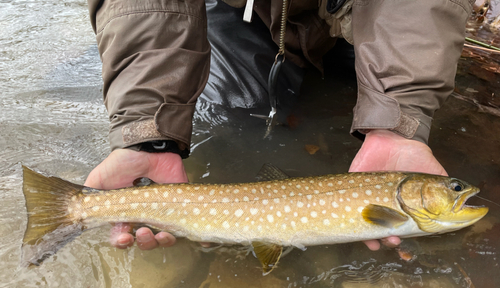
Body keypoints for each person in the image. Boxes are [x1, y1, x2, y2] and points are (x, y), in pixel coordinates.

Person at [84, 0, 470, 251]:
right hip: (247, 14)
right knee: (233, 119)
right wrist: (148, 134)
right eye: (453, 188)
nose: (461, 190)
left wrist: (398, 118)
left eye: (454, 189)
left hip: (364, 18)